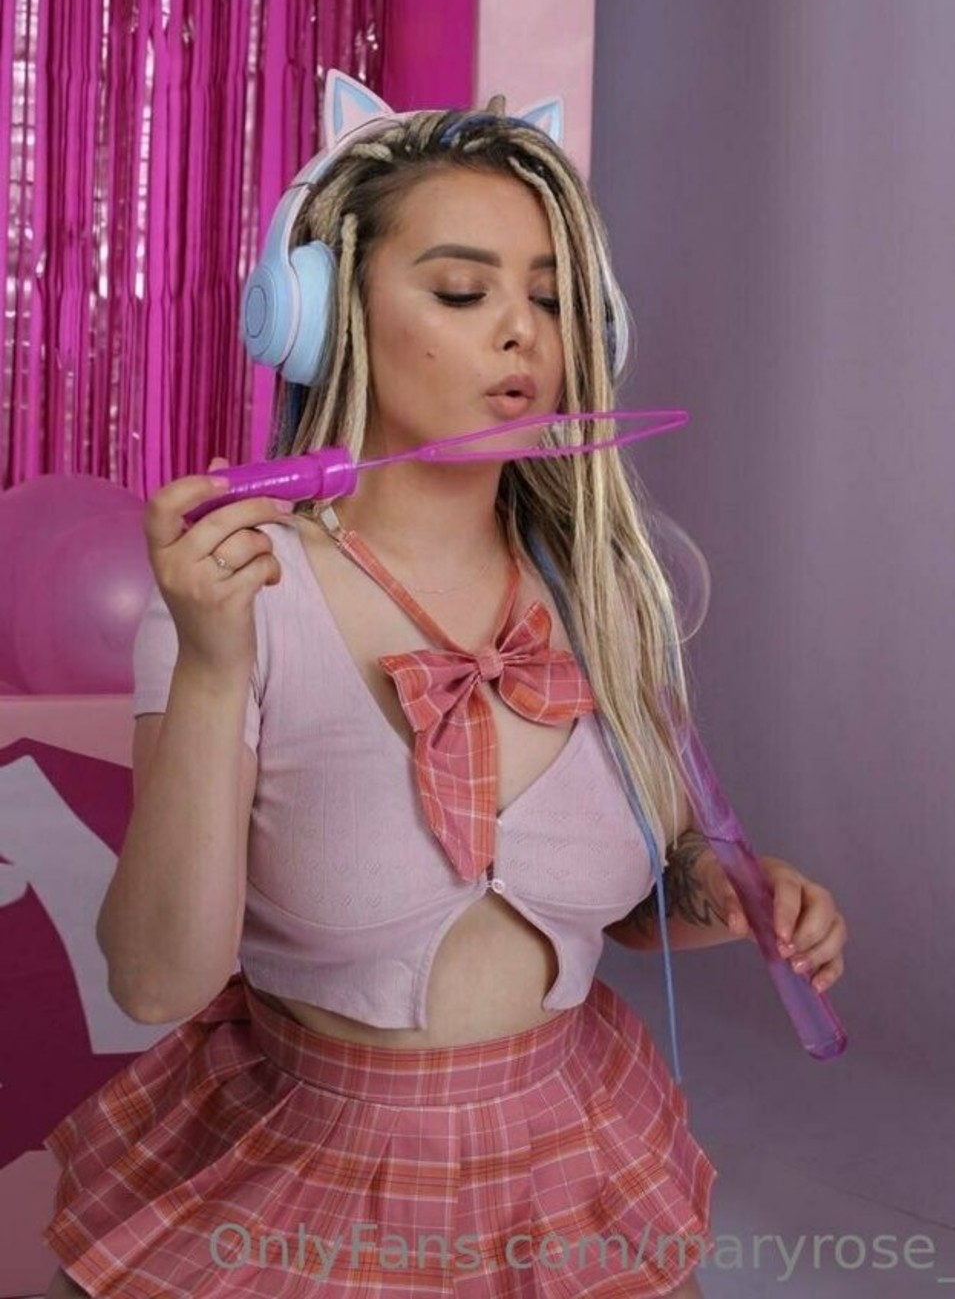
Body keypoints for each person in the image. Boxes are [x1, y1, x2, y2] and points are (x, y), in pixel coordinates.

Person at [41, 83, 847, 1298]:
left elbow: (641, 899)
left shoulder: (605, 597)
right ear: (324, 321)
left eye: (551, 299)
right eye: (465, 292)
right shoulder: (242, 602)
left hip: (571, 1163)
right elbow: (156, 983)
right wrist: (209, 665)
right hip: (309, 1188)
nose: (521, 331)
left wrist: (740, 895)